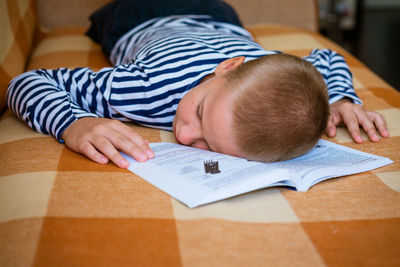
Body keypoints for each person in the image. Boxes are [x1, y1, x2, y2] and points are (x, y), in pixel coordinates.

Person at [6, 0, 389, 168]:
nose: (187, 135)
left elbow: (325, 59)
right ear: (227, 68)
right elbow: (26, 84)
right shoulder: (145, 89)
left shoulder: (280, 76)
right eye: (201, 111)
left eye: (210, 145)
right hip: (139, 15)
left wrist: (335, 98)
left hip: (218, 15)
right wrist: (74, 122)